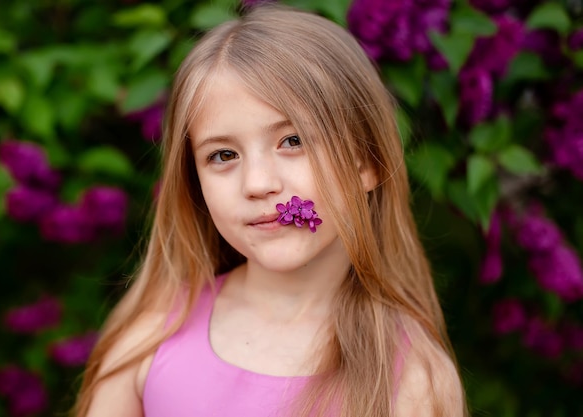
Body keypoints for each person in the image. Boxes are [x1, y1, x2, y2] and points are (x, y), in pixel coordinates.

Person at [73, 4, 467, 417]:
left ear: (365, 162)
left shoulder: (413, 381)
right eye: (223, 154)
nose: (258, 184)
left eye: (293, 141)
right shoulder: (149, 339)